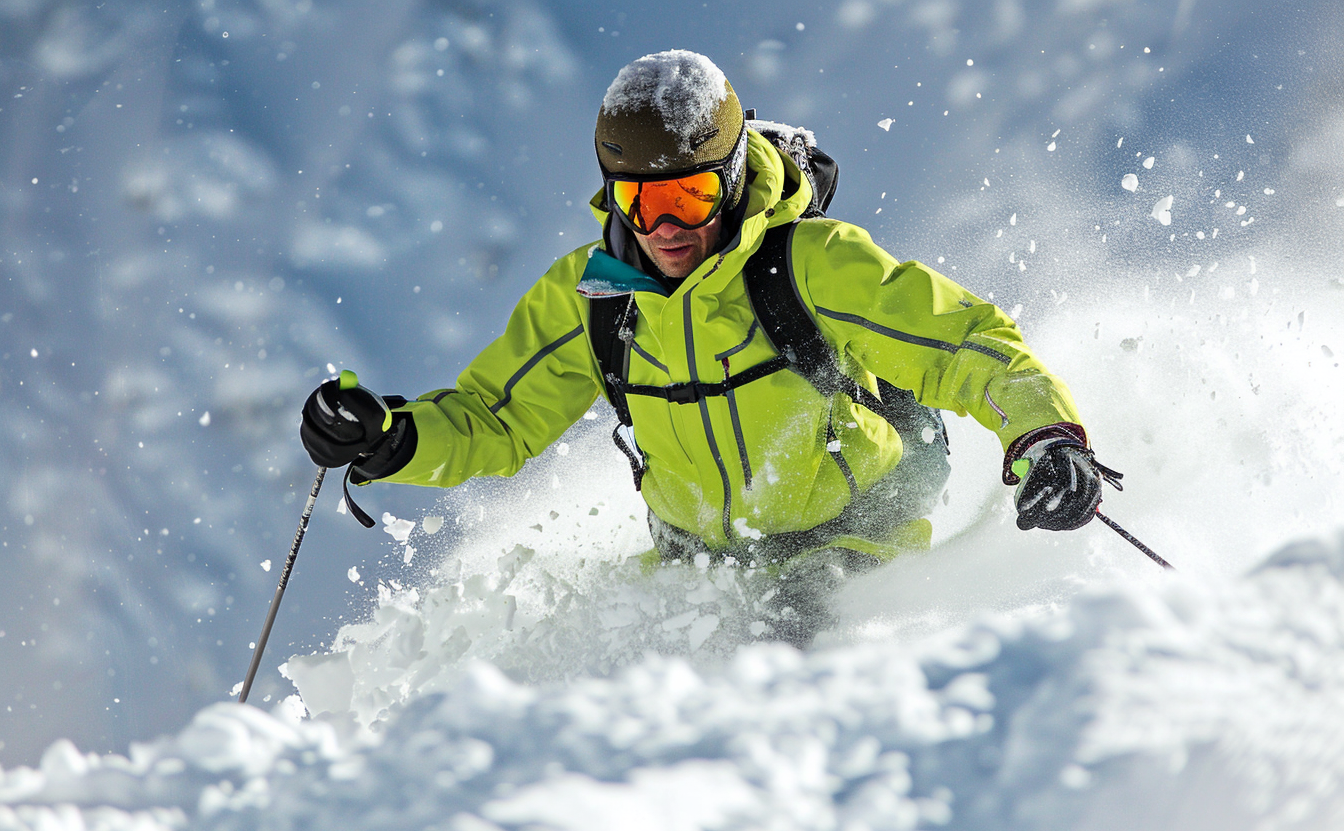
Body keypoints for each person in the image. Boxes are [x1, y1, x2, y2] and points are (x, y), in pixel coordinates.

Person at [300, 50, 1115, 647]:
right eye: (640, 202)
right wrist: (391, 436)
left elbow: (964, 342)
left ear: (729, 179)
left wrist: (1044, 437)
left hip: (850, 546)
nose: (664, 229)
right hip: (696, 572)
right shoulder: (594, 295)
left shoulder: (814, 264)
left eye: (689, 197)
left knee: (768, 657)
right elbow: (494, 418)